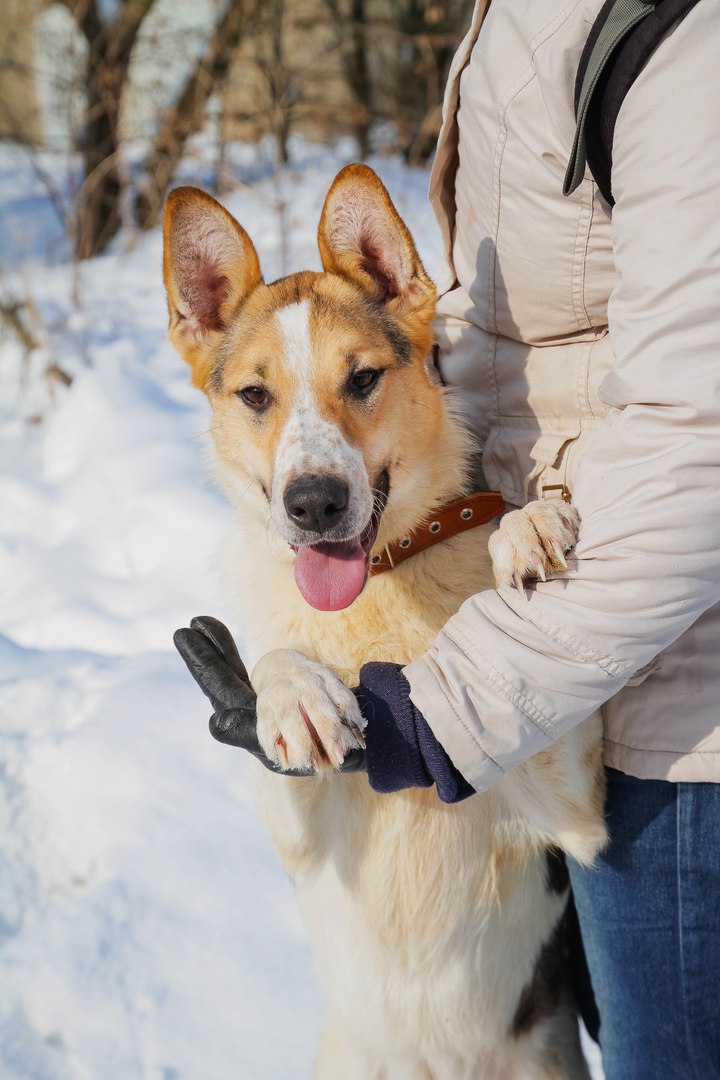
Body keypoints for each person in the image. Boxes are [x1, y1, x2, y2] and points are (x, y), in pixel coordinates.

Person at [175, 2, 720, 1076]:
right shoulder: (507, 19)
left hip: (660, 675)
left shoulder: (673, 40)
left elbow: (697, 427)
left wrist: (491, 621)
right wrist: (284, 677)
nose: (307, 465)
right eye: (257, 397)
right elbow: (297, 842)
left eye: (356, 383)